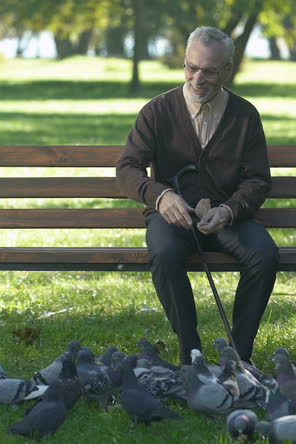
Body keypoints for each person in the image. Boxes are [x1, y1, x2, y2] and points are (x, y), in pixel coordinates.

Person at [116, 26, 278, 365]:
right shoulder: (157, 111)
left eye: (209, 70)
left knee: (264, 255)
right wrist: (160, 197)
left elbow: (258, 180)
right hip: (173, 218)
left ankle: (239, 356)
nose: (197, 78)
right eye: (191, 67)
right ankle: (191, 353)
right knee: (163, 252)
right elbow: (128, 169)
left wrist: (231, 210)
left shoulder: (245, 115)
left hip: (228, 219)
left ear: (227, 71)